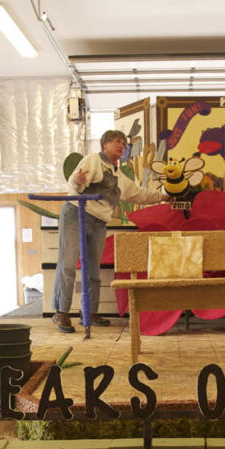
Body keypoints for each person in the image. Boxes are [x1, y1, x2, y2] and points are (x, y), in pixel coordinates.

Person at [53, 130, 167, 333]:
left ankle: (90, 313)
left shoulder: (119, 177)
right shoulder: (92, 160)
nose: (122, 146)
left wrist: (164, 196)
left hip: (98, 223)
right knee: (68, 264)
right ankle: (61, 312)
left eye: (124, 143)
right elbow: (74, 183)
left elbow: (139, 194)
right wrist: (78, 181)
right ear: (105, 145)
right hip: (75, 213)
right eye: (117, 142)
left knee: (93, 270)